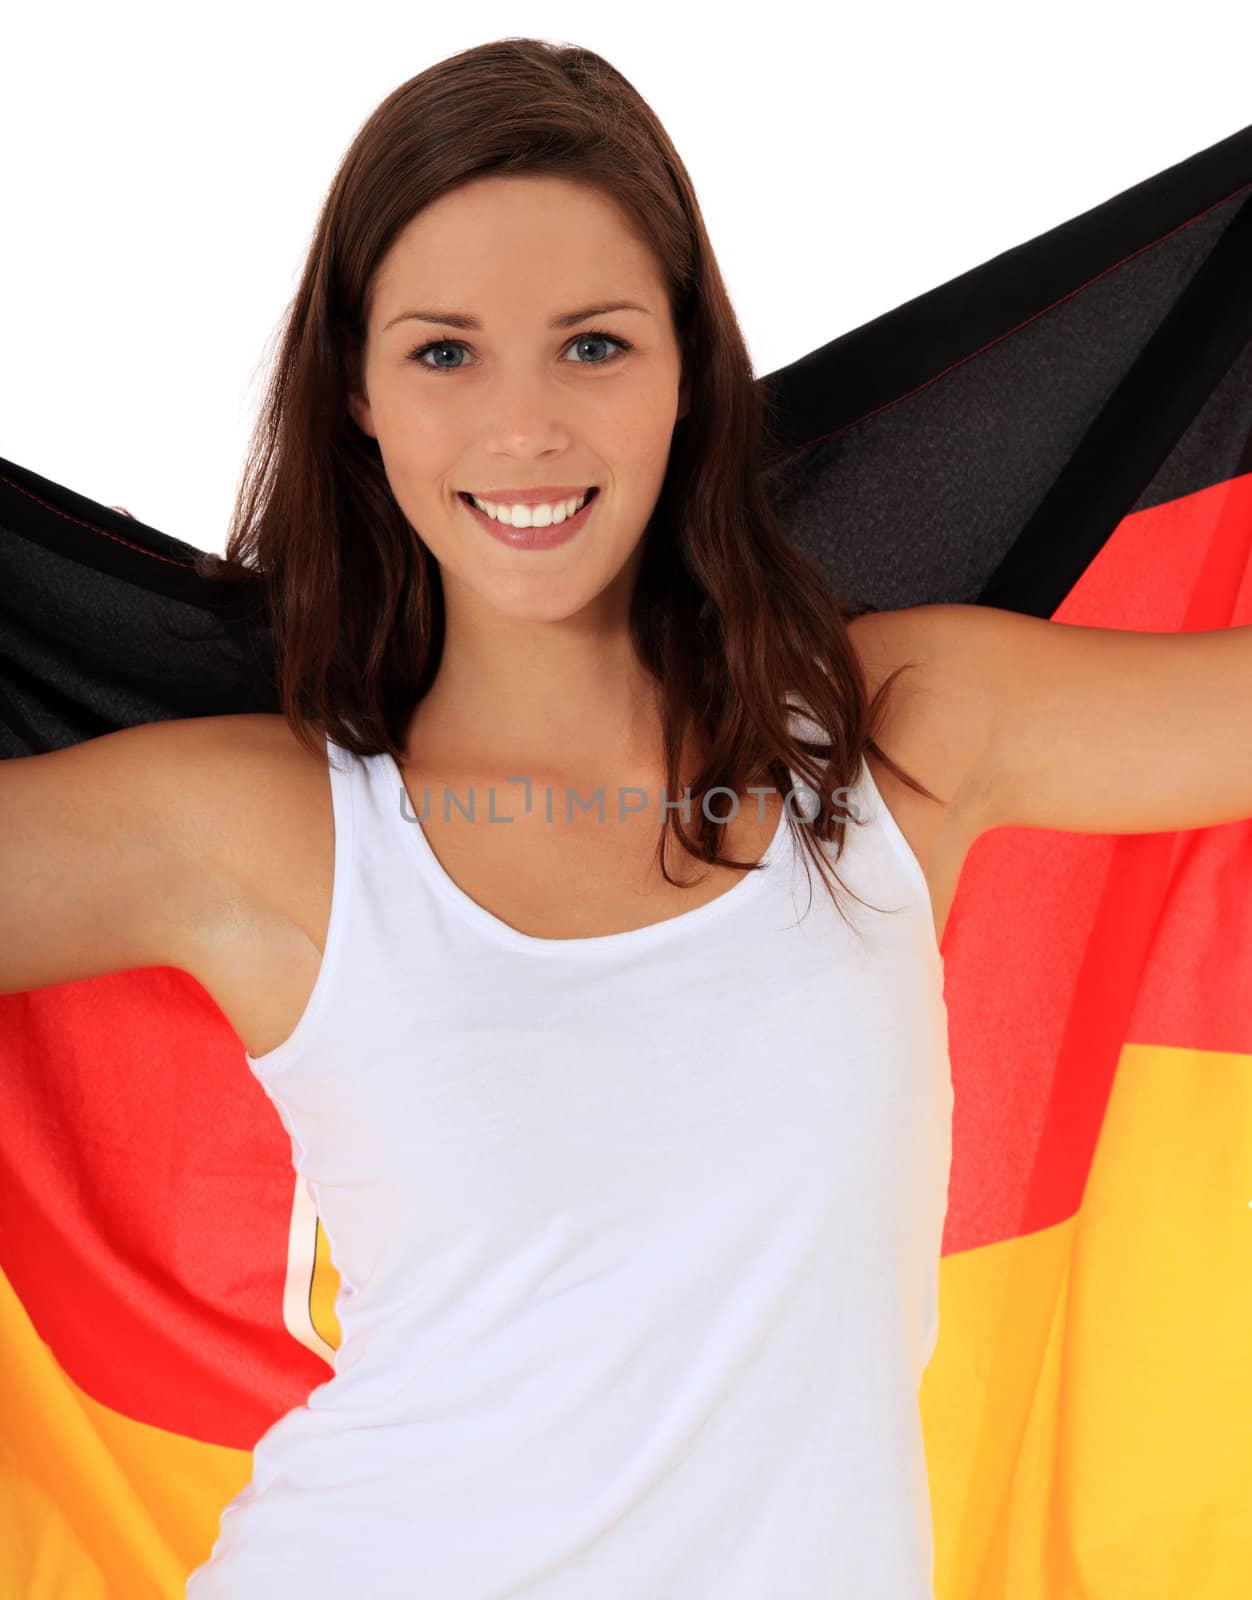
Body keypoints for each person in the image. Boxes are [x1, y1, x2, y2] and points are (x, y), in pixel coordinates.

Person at [3, 37, 1249, 1600]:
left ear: (687, 372)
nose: (524, 428)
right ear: (358, 399)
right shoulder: (261, 831)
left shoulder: (896, 742)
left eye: (591, 346)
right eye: (444, 353)